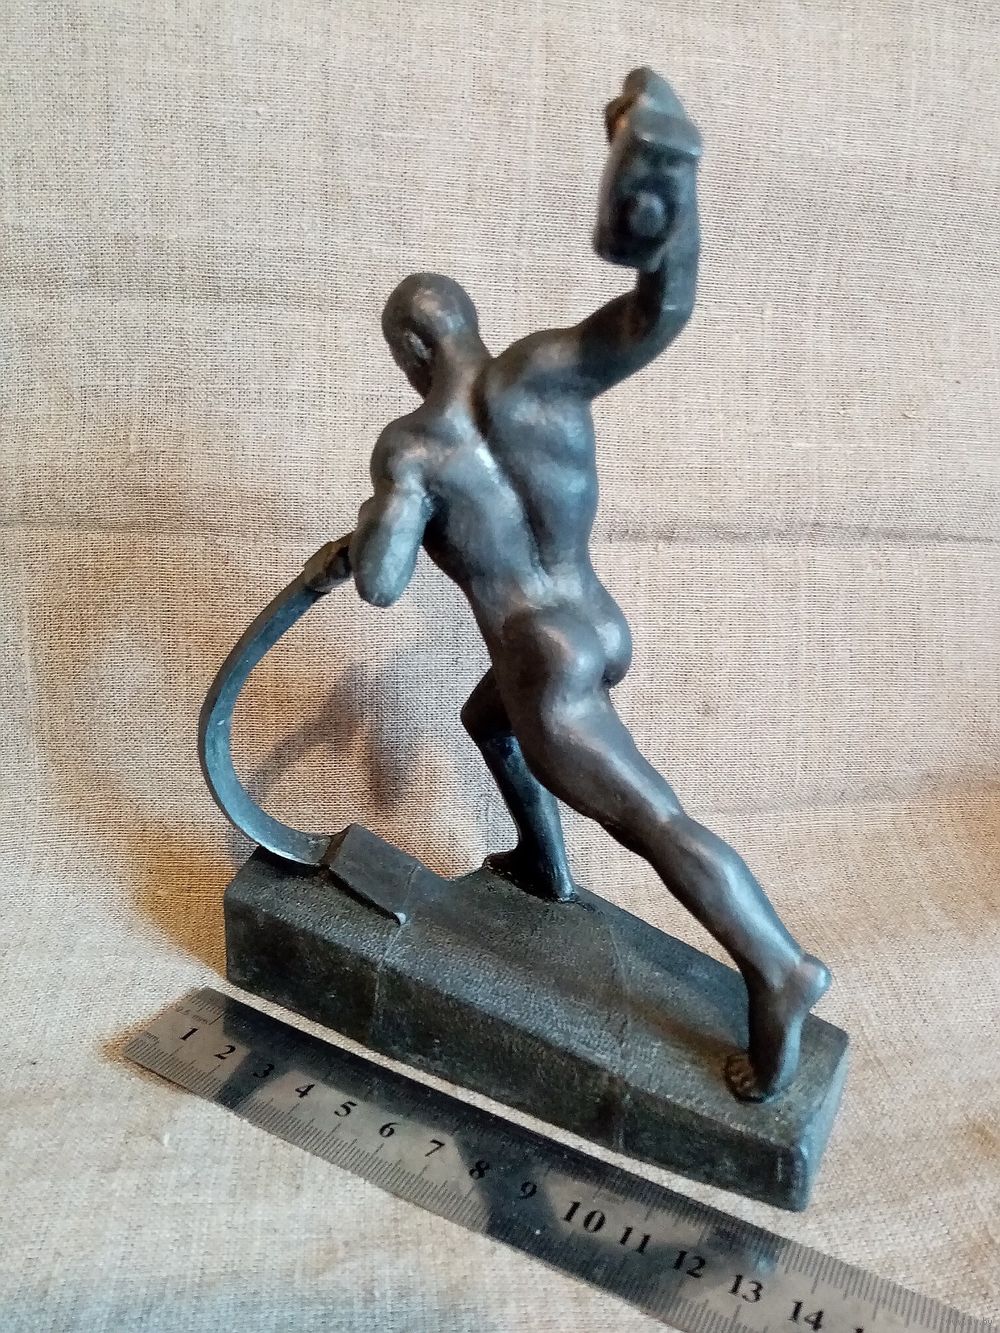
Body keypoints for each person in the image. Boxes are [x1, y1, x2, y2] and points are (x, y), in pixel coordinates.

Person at [337, 68, 830, 1102]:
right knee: (486, 722)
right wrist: (665, 213)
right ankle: (540, 861)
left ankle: (777, 966)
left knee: (654, 819)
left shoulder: (412, 447)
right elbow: (660, 312)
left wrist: (382, 516)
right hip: (595, 620)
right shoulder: (542, 370)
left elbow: (380, 583)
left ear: (409, 349)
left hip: (543, 660)